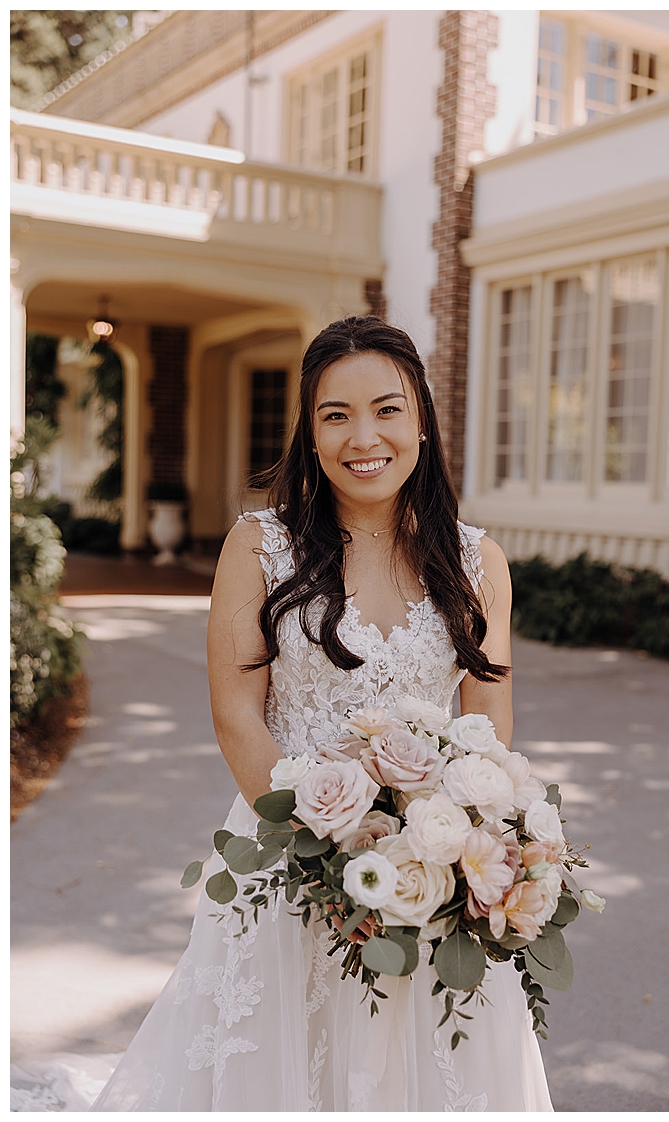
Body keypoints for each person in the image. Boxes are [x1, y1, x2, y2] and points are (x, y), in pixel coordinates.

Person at [92, 317, 552, 1109]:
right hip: (286, 862)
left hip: (427, 873)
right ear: (309, 430)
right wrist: (329, 858)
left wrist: (445, 858)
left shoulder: (480, 563)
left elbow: (486, 732)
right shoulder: (259, 546)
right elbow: (238, 713)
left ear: (421, 422)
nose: (362, 437)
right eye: (335, 415)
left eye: (386, 410)